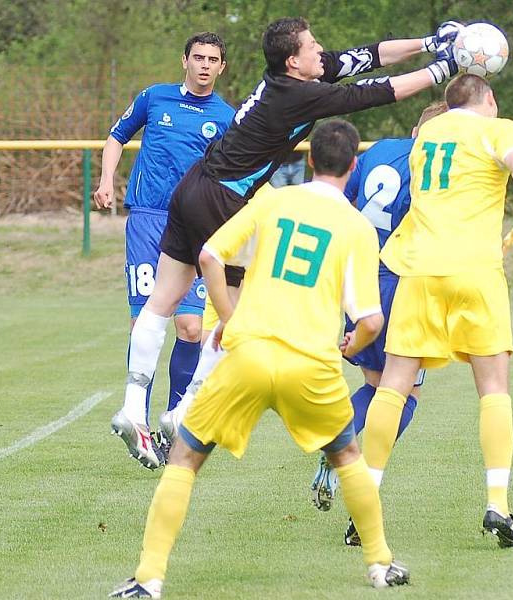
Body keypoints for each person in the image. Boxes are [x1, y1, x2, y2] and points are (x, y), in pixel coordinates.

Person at [110, 16, 466, 470]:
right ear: (294, 60)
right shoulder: (301, 94)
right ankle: (186, 408)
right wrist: (445, 67)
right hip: (225, 199)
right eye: (313, 45)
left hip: (192, 187)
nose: (322, 50)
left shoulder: (294, 78)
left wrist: (432, 43)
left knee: (161, 302)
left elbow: (370, 55)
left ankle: (133, 406)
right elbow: (379, 90)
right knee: (239, 309)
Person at [109, 120, 410, 598]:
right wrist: (349, 345)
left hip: (248, 355)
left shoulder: (272, 201)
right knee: (348, 457)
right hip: (311, 364)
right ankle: (379, 564)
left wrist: (229, 318)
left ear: (309, 160)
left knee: (185, 459)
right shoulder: (355, 226)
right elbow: (370, 320)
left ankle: (148, 578)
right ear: (353, 166)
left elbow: (209, 255)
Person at [359, 74, 513, 550]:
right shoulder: (501, 128)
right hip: (475, 271)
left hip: (418, 273)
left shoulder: (429, 137)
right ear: (491, 99)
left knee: (394, 383)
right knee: (494, 389)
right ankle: (498, 504)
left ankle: (364, 503)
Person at [95, 33, 235, 465]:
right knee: (144, 319)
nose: (205, 65)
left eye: (213, 60)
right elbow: (117, 136)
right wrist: (105, 180)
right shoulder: (154, 99)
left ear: (222, 67)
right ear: (185, 60)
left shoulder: (228, 117)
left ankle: (175, 425)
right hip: (148, 220)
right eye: (198, 57)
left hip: (195, 226)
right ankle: (136, 418)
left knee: (191, 327)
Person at [309, 101, 448, 518]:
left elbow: (343, 203)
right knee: (405, 390)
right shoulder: (434, 168)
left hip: (360, 277)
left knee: (375, 382)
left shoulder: (381, 149)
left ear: (413, 128)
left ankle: (336, 451)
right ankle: (349, 463)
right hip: (401, 281)